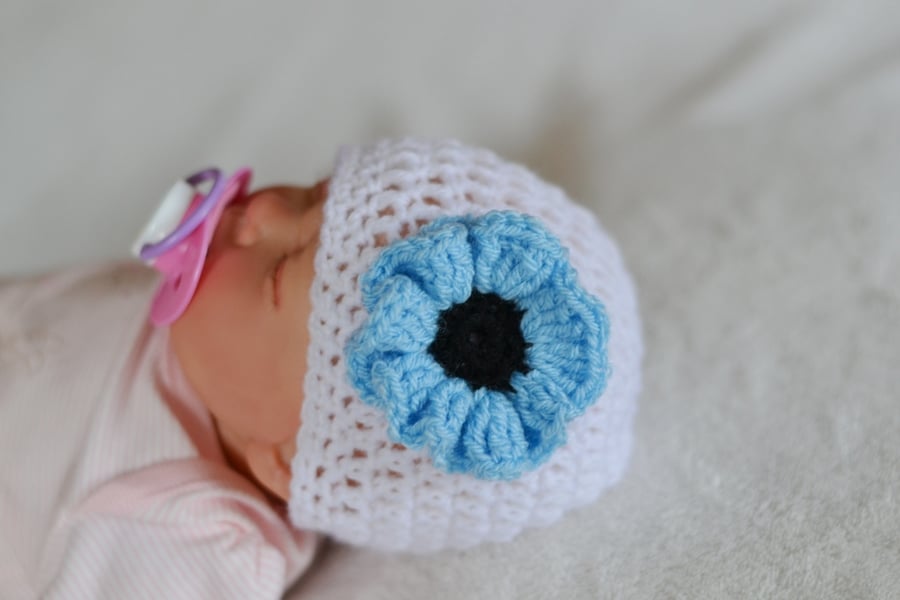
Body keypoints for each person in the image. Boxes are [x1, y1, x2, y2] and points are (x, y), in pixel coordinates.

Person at [0, 138, 643, 598]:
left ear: (286, 460)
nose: (264, 210)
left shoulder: (190, 538)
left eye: (278, 273)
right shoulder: (208, 348)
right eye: (312, 194)